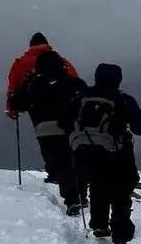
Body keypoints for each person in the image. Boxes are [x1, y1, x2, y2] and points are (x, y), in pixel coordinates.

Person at [63, 63, 141, 244]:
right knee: (121, 187)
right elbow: (138, 128)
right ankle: (121, 233)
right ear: (118, 80)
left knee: (97, 184)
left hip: (84, 150)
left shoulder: (81, 97)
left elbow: (64, 122)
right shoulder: (124, 99)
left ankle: (99, 224)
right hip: (117, 152)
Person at [7, 49, 88, 215]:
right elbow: (86, 99)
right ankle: (80, 196)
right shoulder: (74, 82)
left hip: (44, 129)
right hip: (72, 128)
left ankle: (72, 199)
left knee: (61, 164)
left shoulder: (33, 83)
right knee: (75, 161)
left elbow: (16, 103)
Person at [5, 32, 80, 182]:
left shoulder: (22, 62)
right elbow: (75, 80)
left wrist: (11, 107)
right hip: (64, 105)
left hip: (38, 107)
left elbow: (14, 85)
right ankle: (70, 172)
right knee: (66, 138)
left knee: (45, 136)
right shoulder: (62, 62)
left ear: (31, 46)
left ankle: (53, 171)